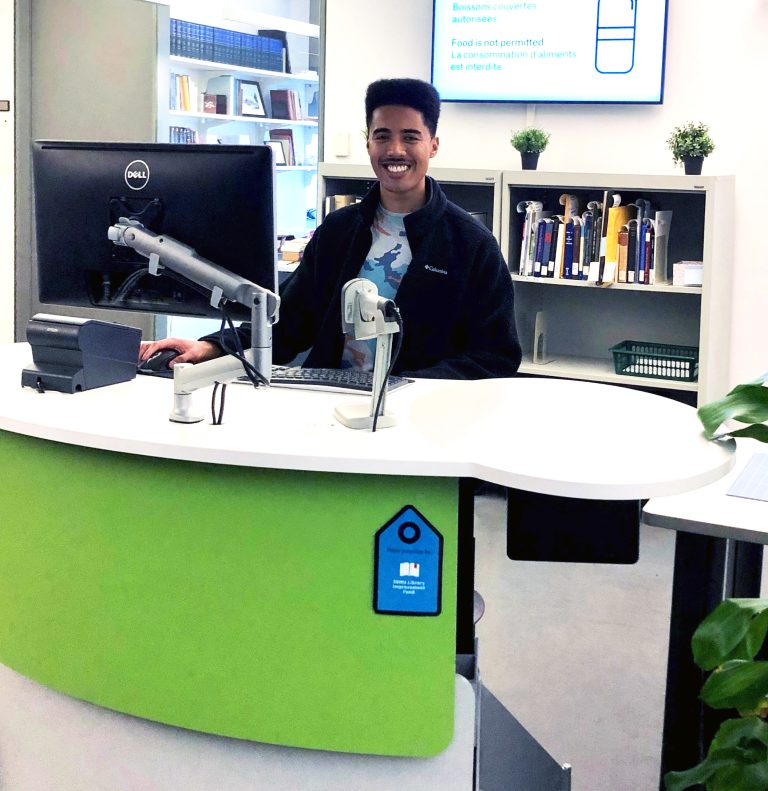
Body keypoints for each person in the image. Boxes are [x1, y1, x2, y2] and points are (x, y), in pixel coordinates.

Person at [140, 78, 521, 379]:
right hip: (328, 402)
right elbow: (288, 323)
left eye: (411, 137)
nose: (396, 151)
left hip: (418, 418)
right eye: (383, 135)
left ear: (433, 146)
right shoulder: (340, 230)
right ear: (368, 142)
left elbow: (495, 356)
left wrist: (414, 387)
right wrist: (214, 347)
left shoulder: (471, 244)